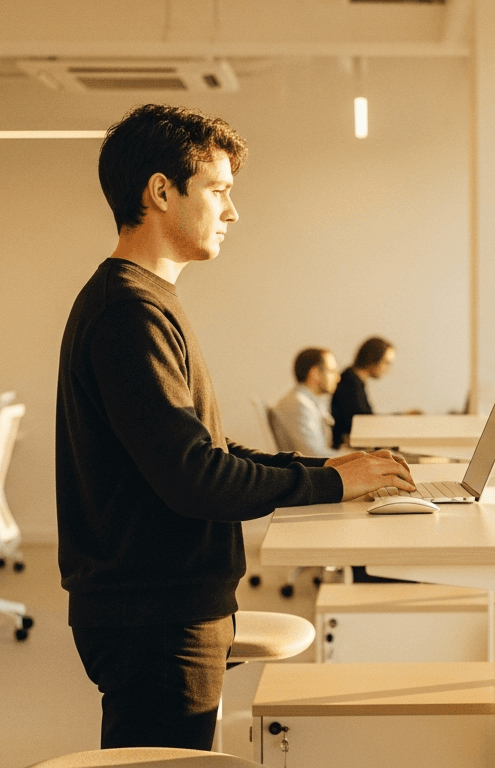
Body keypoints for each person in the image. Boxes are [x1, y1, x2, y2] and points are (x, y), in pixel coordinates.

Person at [56, 103, 415, 751]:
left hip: (165, 603)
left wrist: (329, 473)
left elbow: (207, 452)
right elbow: (196, 480)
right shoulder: (128, 314)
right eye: (218, 190)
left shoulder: (149, 301)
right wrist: (330, 486)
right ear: (161, 191)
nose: (232, 211)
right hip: (156, 612)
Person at [271, 348, 340, 457]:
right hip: (304, 471)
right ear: (315, 373)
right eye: (332, 371)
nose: (338, 378)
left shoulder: (305, 402)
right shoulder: (299, 405)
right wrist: (360, 457)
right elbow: (314, 456)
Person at [330, 336, 395, 450]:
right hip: (344, 449)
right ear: (373, 359)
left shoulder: (356, 381)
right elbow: (364, 422)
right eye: (386, 362)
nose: (388, 369)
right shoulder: (350, 383)